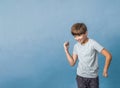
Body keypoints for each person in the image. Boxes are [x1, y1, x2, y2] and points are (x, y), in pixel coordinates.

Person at [63, 23, 112, 88]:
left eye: (79, 35)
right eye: (75, 36)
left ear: (86, 33)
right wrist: (66, 50)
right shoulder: (76, 46)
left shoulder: (93, 44)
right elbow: (72, 63)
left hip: (93, 78)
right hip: (80, 77)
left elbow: (108, 55)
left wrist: (105, 70)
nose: (77, 38)